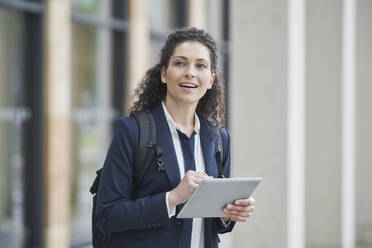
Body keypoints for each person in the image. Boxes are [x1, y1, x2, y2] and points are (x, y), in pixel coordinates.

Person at [95, 27, 255, 248]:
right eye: (180, 63)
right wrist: (172, 198)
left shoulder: (219, 138)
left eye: (200, 66)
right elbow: (107, 215)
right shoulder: (132, 131)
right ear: (163, 73)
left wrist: (229, 213)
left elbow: (216, 223)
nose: (190, 72)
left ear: (210, 80)